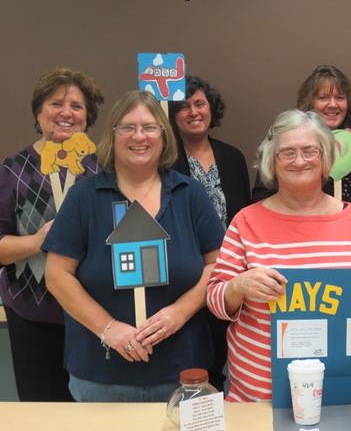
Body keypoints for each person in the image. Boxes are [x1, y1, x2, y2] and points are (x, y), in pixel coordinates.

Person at [42, 91, 225, 402]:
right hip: (101, 375)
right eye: (128, 127)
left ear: (164, 137)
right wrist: (108, 328)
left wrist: (179, 312)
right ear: (112, 137)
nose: (139, 136)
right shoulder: (84, 198)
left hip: (184, 373)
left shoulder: (188, 193)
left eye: (150, 127)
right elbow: (57, 276)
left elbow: (218, 264)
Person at [208, 109, 351, 402]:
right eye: (287, 152)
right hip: (259, 397)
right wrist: (238, 286)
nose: (299, 161)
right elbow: (215, 299)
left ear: (327, 157)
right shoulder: (246, 222)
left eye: (309, 150)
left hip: (340, 395)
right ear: (271, 162)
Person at [0, 67, 104, 401]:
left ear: (88, 118)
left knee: (93, 410)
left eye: (77, 106)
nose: (66, 113)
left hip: (96, 314)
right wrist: (36, 241)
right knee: (42, 409)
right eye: (56, 103)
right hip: (33, 315)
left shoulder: (104, 170)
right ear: (38, 112)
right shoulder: (13, 170)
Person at [169, 75, 251, 391]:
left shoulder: (232, 157)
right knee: (192, 365)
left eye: (199, 104)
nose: (193, 112)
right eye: (183, 107)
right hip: (186, 276)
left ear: (211, 108)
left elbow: (244, 213)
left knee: (220, 362)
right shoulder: (165, 161)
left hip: (229, 274)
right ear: (172, 116)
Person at [252, 64, 351, 204]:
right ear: (309, 102)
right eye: (323, 97)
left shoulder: (350, 148)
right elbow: (262, 196)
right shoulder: (285, 139)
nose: (333, 104)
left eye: (340, 97)